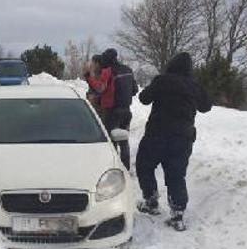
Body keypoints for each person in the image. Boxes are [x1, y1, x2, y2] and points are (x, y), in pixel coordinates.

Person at [135, 52, 212, 231]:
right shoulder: (194, 86)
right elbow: (206, 106)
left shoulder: (162, 80)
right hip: (182, 138)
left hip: (157, 134)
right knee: (176, 174)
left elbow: (143, 98)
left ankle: (151, 200)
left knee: (144, 165)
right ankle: (177, 214)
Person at [84, 49, 138, 170]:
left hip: (112, 111)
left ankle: (113, 168)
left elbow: (100, 89)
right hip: (126, 111)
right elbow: (135, 90)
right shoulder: (128, 70)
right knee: (124, 141)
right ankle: (125, 168)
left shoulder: (108, 71)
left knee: (111, 141)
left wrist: (88, 77)